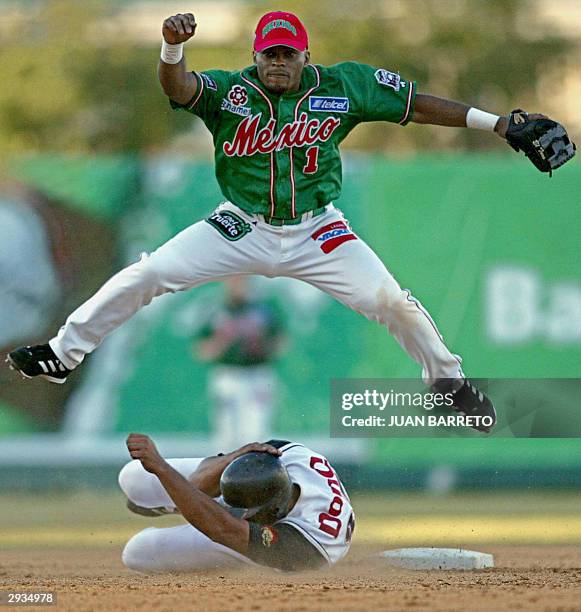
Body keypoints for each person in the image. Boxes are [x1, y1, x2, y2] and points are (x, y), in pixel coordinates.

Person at [11, 9, 565, 433]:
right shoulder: (230, 92)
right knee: (149, 274)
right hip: (241, 225)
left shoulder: (342, 85)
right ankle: (63, 353)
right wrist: (172, 50)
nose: (277, 63)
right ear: (255, 56)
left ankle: (449, 384)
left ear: (305, 56)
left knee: (390, 301)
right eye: (268, 54)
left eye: (287, 54)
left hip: (316, 230)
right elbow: (177, 90)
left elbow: (417, 104)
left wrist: (497, 125)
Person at [119, 435, 354, 572]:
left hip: (281, 546)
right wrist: (236, 456)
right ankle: (177, 503)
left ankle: (184, 505)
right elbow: (196, 483)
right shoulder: (287, 455)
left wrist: (161, 467)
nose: (238, 513)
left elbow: (222, 528)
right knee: (132, 477)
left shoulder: (306, 546)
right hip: (271, 503)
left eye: (244, 512)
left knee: (137, 551)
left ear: (275, 511)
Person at [195, 277, 286, 449]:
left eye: (241, 279)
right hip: (227, 375)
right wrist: (222, 340)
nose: (237, 284)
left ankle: (257, 474)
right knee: (226, 435)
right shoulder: (215, 311)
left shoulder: (263, 309)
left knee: (257, 431)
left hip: (258, 374)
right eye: (233, 279)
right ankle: (225, 474)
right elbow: (201, 351)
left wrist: (261, 345)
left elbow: (281, 342)